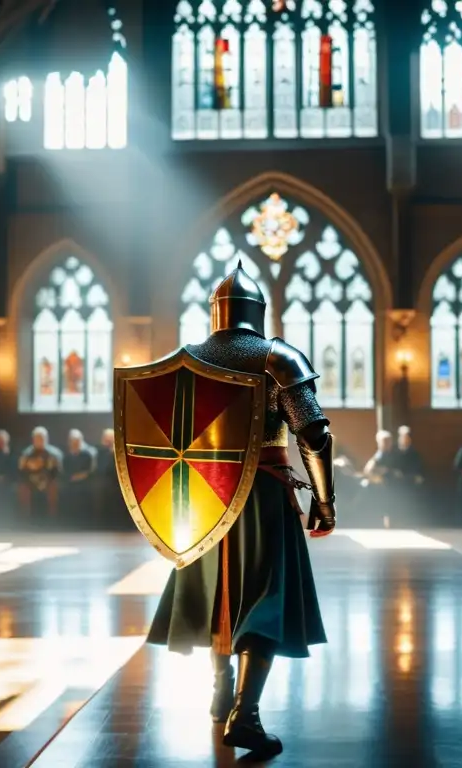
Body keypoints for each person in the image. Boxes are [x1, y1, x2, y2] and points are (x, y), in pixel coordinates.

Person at [144, 263, 334, 760]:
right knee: (263, 600)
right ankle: (245, 716)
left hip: (199, 501)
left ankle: (221, 690)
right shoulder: (277, 358)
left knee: (214, 598)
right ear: (258, 311)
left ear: (216, 313)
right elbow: (313, 433)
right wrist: (325, 501)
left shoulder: (183, 362)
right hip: (262, 498)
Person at [18, 427, 62, 525]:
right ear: (33, 440)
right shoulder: (26, 454)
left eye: (42, 438)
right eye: (37, 438)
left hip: (48, 480)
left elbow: (58, 471)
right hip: (31, 480)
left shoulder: (55, 454)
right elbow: (21, 471)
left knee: (53, 487)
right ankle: (26, 521)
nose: (40, 441)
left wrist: (46, 478)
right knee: (23, 488)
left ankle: (51, 520)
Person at [62, 429, 97, 527]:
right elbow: (64, 471)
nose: (75, 444)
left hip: (85, 482)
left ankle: (85, 521)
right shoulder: (67, 457)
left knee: (84, 491)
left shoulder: (87, 455)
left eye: (77, 441)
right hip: (70, 482)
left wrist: (80, 476)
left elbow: (90, 471)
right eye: (73, 442)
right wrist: (72, 477)